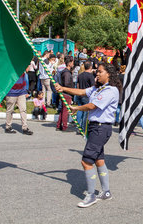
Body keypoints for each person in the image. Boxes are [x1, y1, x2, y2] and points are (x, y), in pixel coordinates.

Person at [55, 63, 121, 207]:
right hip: (94, 128)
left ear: (108, 74)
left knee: (86, 162)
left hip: (101, 129)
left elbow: (92, 106)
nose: (97, 74)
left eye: (100, 72)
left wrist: (76, 108)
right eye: (97, 72)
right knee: (99, 160)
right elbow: (81, 92)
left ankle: (91, 196)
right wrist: (63, 88)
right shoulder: (97, 89)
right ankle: (106, 192)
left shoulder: (111, 90)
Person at [56, 57, 74, 132]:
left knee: (63, 110)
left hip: (65, 93)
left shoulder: (65, 72)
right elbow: (66, 83)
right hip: (67, 93)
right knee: (66, 110)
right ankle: (64, 126)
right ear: (69, 63)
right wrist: (71, 90)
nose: (73, 64)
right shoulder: (66, 73)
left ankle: (59, 125)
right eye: (72, 62)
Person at [76, 61, 95, 133]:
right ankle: (83, 128)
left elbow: (77, 85)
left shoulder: (80, 75)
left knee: (79, 110)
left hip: (80, 93)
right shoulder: (90, 76)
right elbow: (93, 87)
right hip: (87, 95)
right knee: (85, 113)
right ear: (90, 67)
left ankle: (78, 126)